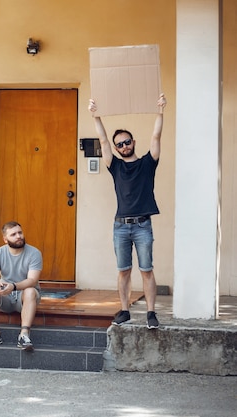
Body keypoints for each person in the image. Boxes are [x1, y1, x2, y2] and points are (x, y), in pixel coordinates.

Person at [88, 93, 167, 329]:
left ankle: (151, 313)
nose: (124, 146)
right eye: (119, 144)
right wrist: (96, 116)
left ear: (133, 142)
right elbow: (102, 141)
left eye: (127, 142)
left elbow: (156, 135)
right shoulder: (115, 166)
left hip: (143, 225)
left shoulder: (148, 162)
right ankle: (125, 310)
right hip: (121, 226)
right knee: (124, 271)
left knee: (146, 270)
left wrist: (160, 111)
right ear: (116, 148)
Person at [0, 221, 42, 351]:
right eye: (13, 234)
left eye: (20, 233)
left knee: (30, 290)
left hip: (25, 297)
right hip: (5, 296)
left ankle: (24, 335)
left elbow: (32, 280)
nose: (18, 236)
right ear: (5, 239)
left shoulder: (34, 253)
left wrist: (13, 286)